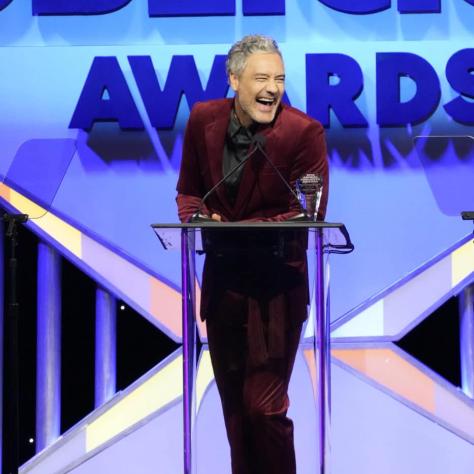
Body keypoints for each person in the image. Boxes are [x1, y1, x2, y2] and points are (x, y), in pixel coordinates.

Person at [176, 34, 328, 474]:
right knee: (237, 416)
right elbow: (188, 192)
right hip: (223, 287)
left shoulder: (304, 132)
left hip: (277, 289)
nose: (272, 88)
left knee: (265, 409)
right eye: (262, 78)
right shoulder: (203, 119)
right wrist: (198, 217)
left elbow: (309, 213)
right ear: (233, 79)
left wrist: (239, 229)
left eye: (279, 79)